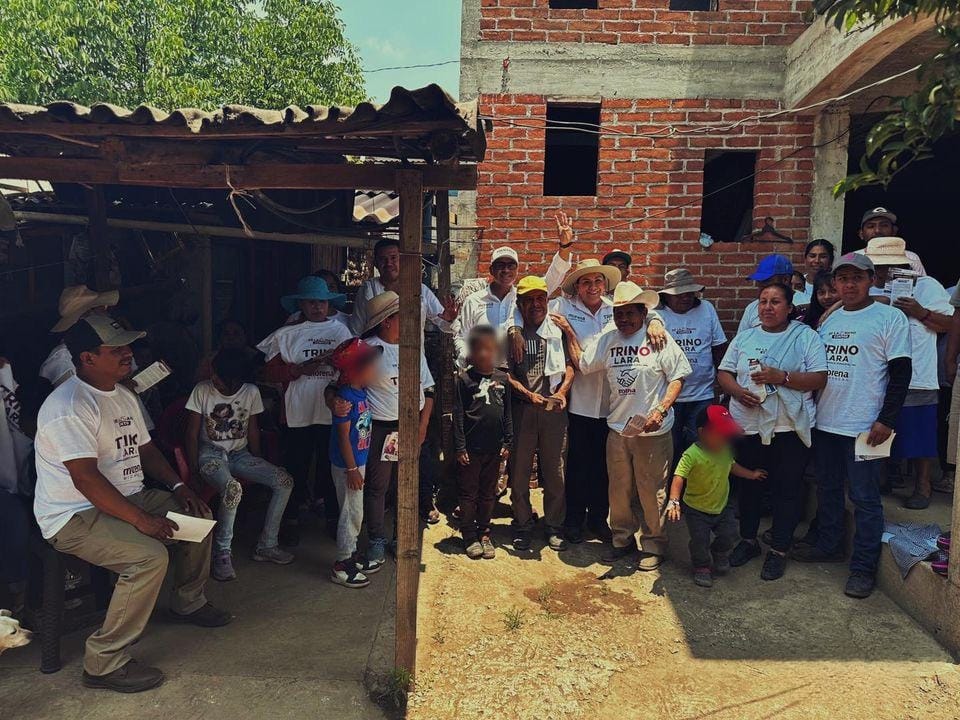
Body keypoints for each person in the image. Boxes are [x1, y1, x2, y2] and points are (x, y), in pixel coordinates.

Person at [34, 315, 230, 693]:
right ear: (87, 358)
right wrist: (142, 521)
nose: (129, 354)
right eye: (116, 349)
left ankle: (188, 602)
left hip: (128, 496)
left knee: (197, 517)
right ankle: (103, 662)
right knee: (148, 557)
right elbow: (86, 480)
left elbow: (145, 450)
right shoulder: (69, 405)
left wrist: (177, 485)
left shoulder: (122, 394)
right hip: (74, 514)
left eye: (127, 346)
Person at [792, 253, 911, 599]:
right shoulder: (829, 320)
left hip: (865, 427)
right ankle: (828, 545)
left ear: (871, 280)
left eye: (856, 278)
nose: (849, 285)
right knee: (827, 488)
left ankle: (862, 569)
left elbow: (901, 374)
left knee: (864, 498)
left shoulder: (889, 318)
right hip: (827, 422)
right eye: (842, 279)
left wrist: (887, 419)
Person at [570, 281, 692, 570]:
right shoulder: (608, 338)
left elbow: (678, 376)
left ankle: (654, 543)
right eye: (618, 314)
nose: (623, 319)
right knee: (619, 490)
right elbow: (584, 364)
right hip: (618, 429)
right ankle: (622, 540)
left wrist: (661, 409)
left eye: (629, 314)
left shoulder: (658, 338)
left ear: (642, 313)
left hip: (653, 431)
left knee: (651, 491)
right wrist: (567, 331)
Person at [717, 283, 828, 580]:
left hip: (788, 427)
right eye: (763, 301)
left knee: (786, 490)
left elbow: (819, 379)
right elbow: (724, 373)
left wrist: (783, 377)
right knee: (750, 485)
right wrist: (739, 393)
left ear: (790, 307)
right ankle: (749, 540)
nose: (768, 307)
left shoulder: (805, 337)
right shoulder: (746, 337)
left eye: (775, 302)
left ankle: (779, 550)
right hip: (748, 425)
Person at [257, 276, 353, 546]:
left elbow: (354, 368)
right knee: (295, 467)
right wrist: (296, 370)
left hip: (330, 412)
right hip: (297, 413)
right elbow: (268, 371)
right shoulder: (286, 334)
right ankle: (291, 520)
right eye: (311, 302)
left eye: (322, 301)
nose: (317, 307)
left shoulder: (341, 333)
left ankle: (333, 518)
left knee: (331, 467)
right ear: (301, 304)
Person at [184, 349, 294, 581]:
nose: (213, 379)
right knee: (232, 488)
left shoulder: (251, 392)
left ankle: (267, 545)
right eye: (213, 374)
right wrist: (193, 470)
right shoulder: (201, 390)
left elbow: (252, 428)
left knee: (284, 481)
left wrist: (260, 461)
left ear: (236, 381)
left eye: (218, 377)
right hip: (210, 456)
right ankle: (222, 553)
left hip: (240, 454)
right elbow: (191, 434)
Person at [864, 237, 953, 509]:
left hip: (918, 374)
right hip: (880, 374)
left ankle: (922, 486)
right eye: (877, 268)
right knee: (877, 427)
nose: (883, 273)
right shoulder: (871, 291)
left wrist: (920, 312)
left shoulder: (928, 287)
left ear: (903, 264)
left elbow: (950, 324)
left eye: (888, 266)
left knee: (920, 431)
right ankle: (878, 479)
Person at [358, 291, 436, 563]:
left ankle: (399, 537)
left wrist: (423, 426)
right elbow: (349, 390)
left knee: (405, 485)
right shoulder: (366, 350)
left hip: (410, 427)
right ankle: (376, 540)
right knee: (378, 486)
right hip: (381, 429)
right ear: (387, 321)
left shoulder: (412, 348)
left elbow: (428, 390)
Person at [505, 275, 575, 552]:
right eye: (528, 300)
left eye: (540, 298)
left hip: (554, 412)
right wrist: (527, 394)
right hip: (523, 411)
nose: (535, 304)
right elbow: (506, 374)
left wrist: (563, 392)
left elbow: (571, 366)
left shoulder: (556, 330)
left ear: (546, 300)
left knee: (555, 471)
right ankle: (522, 524)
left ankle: (553, 526)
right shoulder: (511, 334)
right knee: (519, 472)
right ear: (520, 304)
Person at [666, 405, 767, 588]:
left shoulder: (725, 450)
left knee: (730, 534)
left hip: (721, 505)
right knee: (700, 540)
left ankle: (719, 552)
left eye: (727, 435)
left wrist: (751, 474)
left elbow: (732, 466)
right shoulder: (691, 454)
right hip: (696, 508)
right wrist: (674, 500)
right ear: (702, 432)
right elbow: (679, 476)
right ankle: (702, 566)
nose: (725, 439)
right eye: (720, 434)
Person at [455, 214, 572, 364]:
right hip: (483, 372)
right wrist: (468, 357)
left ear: (517, 270)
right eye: (500, 265)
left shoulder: (525, 297)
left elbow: (556, 273)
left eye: (511, 266)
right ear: (491, 270)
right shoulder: (474, 300)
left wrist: (565, 246)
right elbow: (462, 337)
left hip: (518, 371)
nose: (506, 270)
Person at [453, 326, 513, 559]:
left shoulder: (503, 379)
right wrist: (459, 447)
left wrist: (508, 442)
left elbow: (507, 413)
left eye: (489, 349)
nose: (484, 354)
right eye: (479, 349)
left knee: (489, 493)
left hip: (494, 448)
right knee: (469, 493)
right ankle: (468, 534)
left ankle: (485, 533)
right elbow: (458, 416)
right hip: (470, 449)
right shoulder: (464, 380)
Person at [328, 338, 383, 588]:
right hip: (347, 466)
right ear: (358, 370)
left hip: (355, 464)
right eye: (372, 365)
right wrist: (351, 469)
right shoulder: (346, 398)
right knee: (350, 513)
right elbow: (342, 436)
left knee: (354, 512)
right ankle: (342, 564)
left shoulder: (360, 392)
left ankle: (351, 554)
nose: (377, 369)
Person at [658, 268, 727, 463]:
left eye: (690, 293)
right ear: (667, 296)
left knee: (701, 448)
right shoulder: (657, 315)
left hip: (702, 394)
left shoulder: (706, 309)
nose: (686, 297)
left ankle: (695, 491)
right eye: (680, 294)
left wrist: (721, 385)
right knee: (669, 450)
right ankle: (671, 491)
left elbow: (719, 348)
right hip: (668, 396)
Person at [350, 238, 457, 339]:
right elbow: (356, 330)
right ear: (376, 264)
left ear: (403, 261)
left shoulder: (421, 290)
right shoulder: (369, 289)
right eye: (383, 259)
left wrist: (450, 319)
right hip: (379, 355)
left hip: (415, 356)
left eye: (393, 258)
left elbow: (444, 324)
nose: (388, 263)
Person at [736, 254, 804, 333]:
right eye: (759, 281)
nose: (761, 285)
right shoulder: (752, 308)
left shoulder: (808, 302)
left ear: (785, 279)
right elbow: (741, 340)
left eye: (766, 281)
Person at [858, 207, 925, 275]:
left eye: (884, 225)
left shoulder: (910, 258)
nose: (877, 231)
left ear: (894, 231)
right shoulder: (853, 258)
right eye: (871, 226)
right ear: (861, 234)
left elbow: (924, 284)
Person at [195, 319, 262, 382]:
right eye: (226, 334)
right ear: (220, 338)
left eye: (236, 333)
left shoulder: (256, 359)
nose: (231, 338)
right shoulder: (209, 361)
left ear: (245, 337)